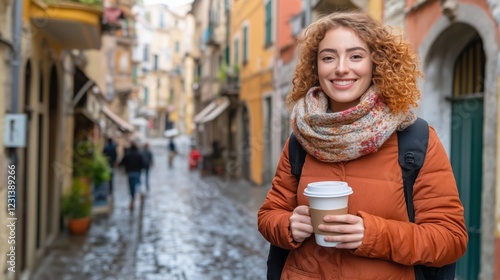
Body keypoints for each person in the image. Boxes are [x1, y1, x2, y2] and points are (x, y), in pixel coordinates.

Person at [257, 11, 468, 279]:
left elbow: (450, 239)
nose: (341, 68)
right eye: (328, 57)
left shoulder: (415, 139)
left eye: (356, 56)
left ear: (376, 64)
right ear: (316, 67)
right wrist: (287, 225)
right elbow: (268, 215)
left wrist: (372, 235)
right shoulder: (301, 138)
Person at [119, 142, 144, 211]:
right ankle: (141, 192)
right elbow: (142, 163)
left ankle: (132, 199)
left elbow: (121, 163)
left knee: (131, 187)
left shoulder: (127, 154)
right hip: (137, 172)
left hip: (130, 173)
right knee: (138, 184)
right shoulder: (139, 154)